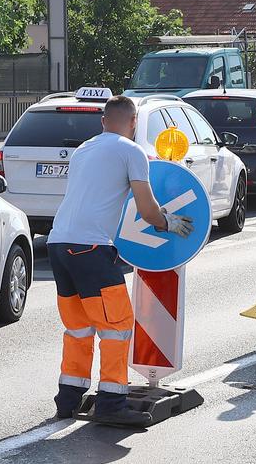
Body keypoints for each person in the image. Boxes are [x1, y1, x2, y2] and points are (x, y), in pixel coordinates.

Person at [48, 96, 193, 423]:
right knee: (117, 326)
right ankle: (112, 403)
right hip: (90, 248)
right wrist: (168, 222)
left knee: (79, 327)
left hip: (59, 245)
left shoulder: (84, 150)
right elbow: (146, 207)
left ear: (103, 121)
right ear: (134, 123)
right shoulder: (132, 151)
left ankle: (68, 398)